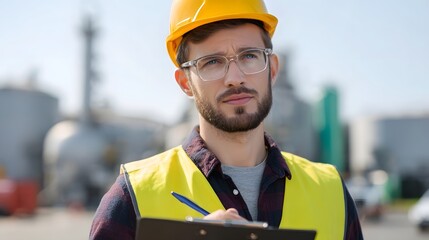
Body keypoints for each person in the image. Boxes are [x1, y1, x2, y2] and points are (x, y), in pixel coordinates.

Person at [89, 0, 363, 239]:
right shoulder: (132, 197)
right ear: (185, 83)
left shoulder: (331, 193)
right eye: (212, 62)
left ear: (273, 69)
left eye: (250, 56)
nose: (235, 77)